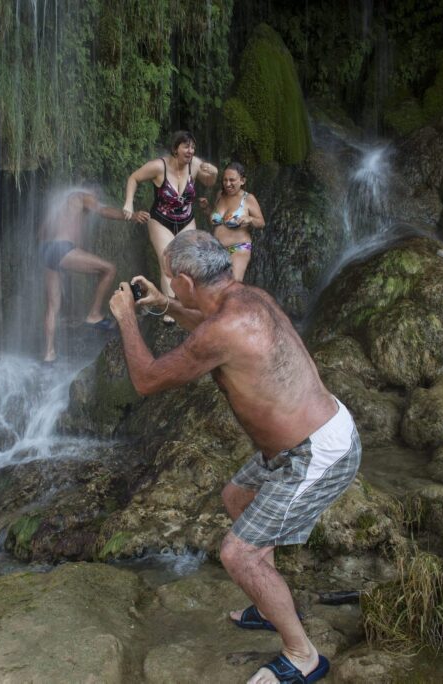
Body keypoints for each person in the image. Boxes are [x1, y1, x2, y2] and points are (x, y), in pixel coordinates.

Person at [109, 231, 360, 684]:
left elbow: (147, 379)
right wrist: (164, 306)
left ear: (186, 281)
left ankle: (302, 655)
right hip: (298, 443)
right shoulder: (246, 298)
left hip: (318, 451)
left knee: (239, 554)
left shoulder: (225, 326)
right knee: (237, 496)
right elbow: (208, 326)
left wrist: (127, 317)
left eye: (169, 280)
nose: (169, 285)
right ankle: (271, 603)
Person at [40, 187, 149, 363]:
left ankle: (49, 354)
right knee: (109, 269)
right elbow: (103, 210)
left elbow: (42, 233)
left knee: (52, 306)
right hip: (62, 249)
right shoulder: (84, 195)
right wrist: (132, 216)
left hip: (47, 251)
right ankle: (94, 315)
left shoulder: (58, 206)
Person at [122, 130, 218, 323]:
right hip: (160, 220)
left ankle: (188, 303)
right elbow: (134, 178)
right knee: (167, 260)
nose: (190, 151)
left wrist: (214, 173)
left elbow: (209, 182)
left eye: (193, 147)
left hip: (186, 219)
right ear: (175, 149)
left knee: (189, 262)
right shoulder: (159, 166)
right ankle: (169, 309)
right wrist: (128, 203)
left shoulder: (195, 164)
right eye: (186, 147)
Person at [203, 162, 265, 282]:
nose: (227, 184)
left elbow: (261, 222)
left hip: (238, 248)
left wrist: (250, 219)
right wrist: (207, 209)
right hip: (216, 249)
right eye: (225, 180)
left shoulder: (248, 198)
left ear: (242, 181)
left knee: (232, 284)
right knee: (212, 286)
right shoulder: (220, 195)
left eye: (232, 180)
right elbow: (217, 223)